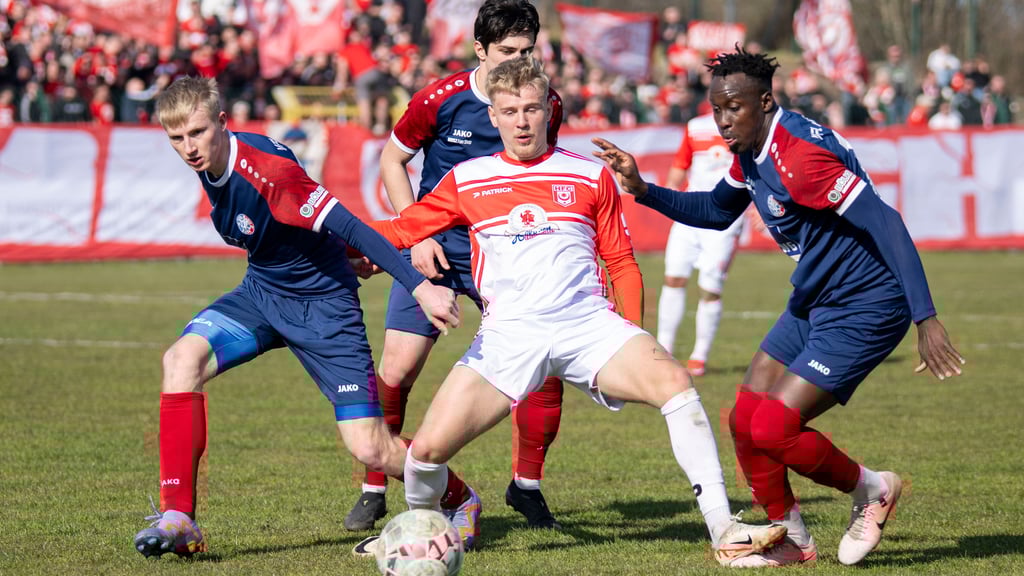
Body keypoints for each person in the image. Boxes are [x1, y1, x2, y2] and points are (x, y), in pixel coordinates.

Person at [368, 55, 787, 568]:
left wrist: (630, 332)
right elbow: (402, 229)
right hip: (508, 335)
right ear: (494, 117)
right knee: (425, 454)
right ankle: (423, 533)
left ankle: (725, 529)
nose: (521, 120)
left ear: (548, 109)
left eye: (530, 108)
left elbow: (621, 262)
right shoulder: (467, 178)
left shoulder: (589, 176)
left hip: (588, 325)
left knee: (676, 386)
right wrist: (340, 244)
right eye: (509, 111)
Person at [593, 47, 966, 567]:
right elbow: (718, 211)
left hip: (866, 303)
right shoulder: (751, 152)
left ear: (765, 101)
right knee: (745, 420)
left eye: (734, 109)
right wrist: (642, 189)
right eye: (717, 109)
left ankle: (873, 490)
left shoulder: (800, 157)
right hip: (816, 297)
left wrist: (925, 318)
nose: (723, 121)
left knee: (773, 427)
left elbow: (887, 223)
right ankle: (792, 537)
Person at [132, 76, 479, 559]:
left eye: (197, 133)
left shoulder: (269, 173)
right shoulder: (211, 161)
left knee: (371, 449)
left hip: (323, 308)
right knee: (181, 359)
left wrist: (421, 288)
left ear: (222, 123)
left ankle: (460, 499)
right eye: (177, 139)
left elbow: (351, 226)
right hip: (262, 292)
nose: (189, 148)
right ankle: (179, 518)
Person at [344, 0, 568, 534]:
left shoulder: (545, 102)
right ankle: (375, 484)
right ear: (480, 50)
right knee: (397, 369)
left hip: (509, 251)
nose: (520, 61)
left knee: (544, 363)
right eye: (508, 51)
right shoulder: (441, 98)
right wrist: (416, 232)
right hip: (436, 248)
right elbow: (391, 160)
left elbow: (543, 174)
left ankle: (527, 487)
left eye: (528, 51)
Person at [656, 112, 742, 376]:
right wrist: (668, 196)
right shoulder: (696, 127)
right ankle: (663, 350)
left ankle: (699, 356)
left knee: (710, 288)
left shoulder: (746, 125)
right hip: (690, 214)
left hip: (725, 220)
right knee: (673, 278)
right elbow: (681, 165)